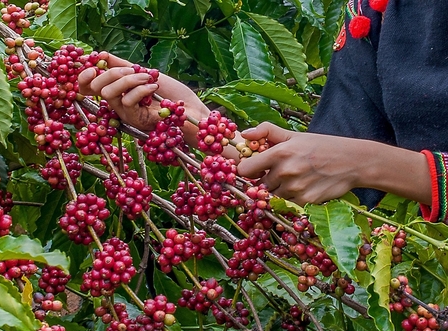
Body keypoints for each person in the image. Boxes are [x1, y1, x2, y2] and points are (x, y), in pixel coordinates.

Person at [78, 0, 448, 223]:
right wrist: (195, 122)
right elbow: (327, 174)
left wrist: (371, 165)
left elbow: (354, 163)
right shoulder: (374, 10)